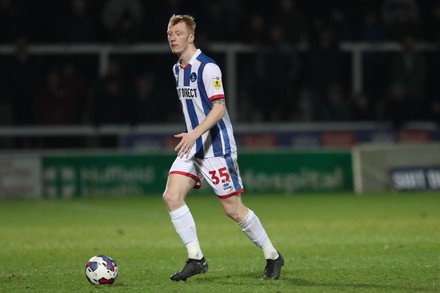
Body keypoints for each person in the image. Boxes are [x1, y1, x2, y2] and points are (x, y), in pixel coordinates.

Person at [163, 14, 284, 282]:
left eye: (178, 33)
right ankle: (196, 258)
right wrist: (192, 136)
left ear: (191, 36)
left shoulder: (208, 68)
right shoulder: (176, 69)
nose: (172, 37)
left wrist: (194, 133)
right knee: (172, 196)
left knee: (233, 210)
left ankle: (272, 255)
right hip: (192, 147)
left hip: (216, 148)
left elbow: (219, 108)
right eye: (170, 33)